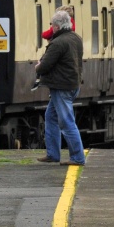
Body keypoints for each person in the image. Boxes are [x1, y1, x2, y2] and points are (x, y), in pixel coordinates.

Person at [35, 9, 86, 166]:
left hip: (61, 87)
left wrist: (37, 67)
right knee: (51, 116)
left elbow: (44, 66)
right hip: (72, 84)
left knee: (66, 121)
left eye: (52, 25)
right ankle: (53, 154)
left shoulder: (57, 43)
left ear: (56, 26)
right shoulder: (76, 38)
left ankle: (78, 157)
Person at [31, 5, 76, 92]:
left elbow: (46, 34)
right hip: (71, 80)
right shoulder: (72, 27)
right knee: (53, 105)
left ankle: (38, 79)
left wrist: (38, 68)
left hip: (60, 84)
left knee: (44, 59)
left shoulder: (58, 33)